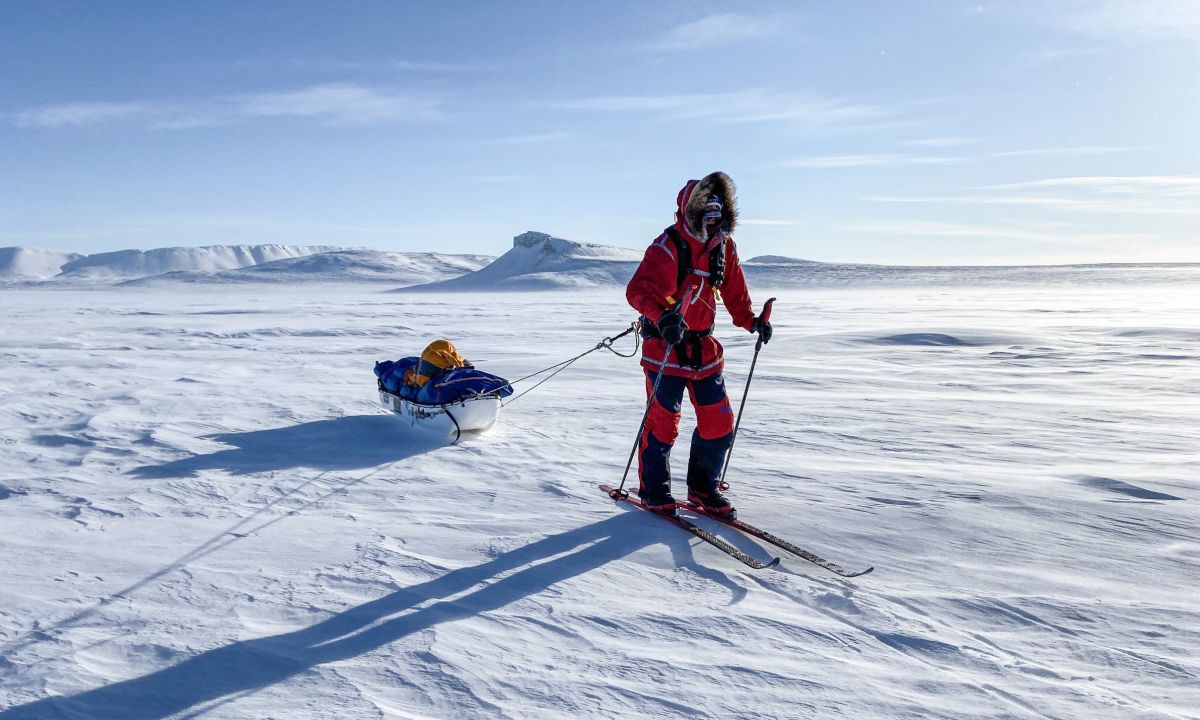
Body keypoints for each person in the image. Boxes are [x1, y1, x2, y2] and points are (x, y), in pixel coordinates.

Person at [625, 171, 773, 517]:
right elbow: (640, 291)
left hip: (705, 352)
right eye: (705, 206)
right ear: (690, 208)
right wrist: (663, 316)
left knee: (718, 422)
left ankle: (703, 489)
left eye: (718, 207)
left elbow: (735, 291)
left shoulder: (724, 247)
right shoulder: (669, 245)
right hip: (666, 350)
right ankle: (654, 491)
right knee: (663, 423)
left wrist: (751, 320)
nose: (712, 214)